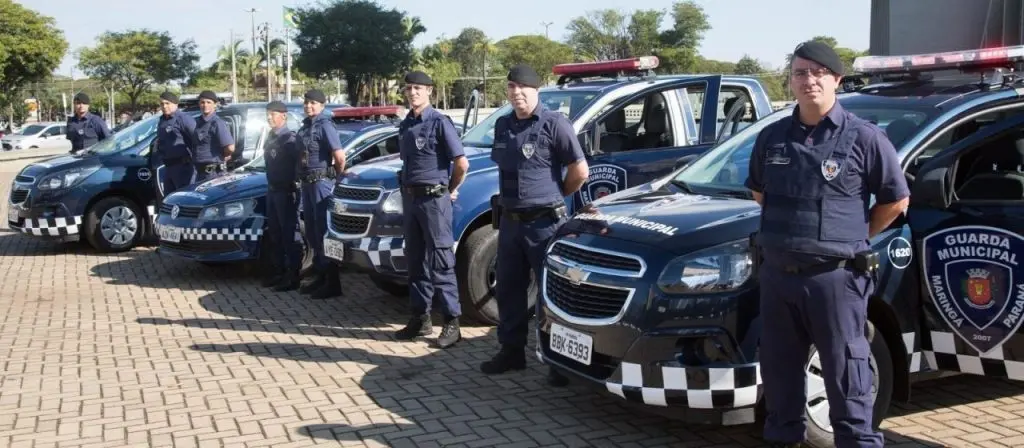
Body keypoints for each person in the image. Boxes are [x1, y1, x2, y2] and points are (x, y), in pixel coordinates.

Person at [745, 40, 909, 448]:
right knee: (780, 385)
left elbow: (896, 200)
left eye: (819, 72)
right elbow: (760, 195)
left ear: (836, 79)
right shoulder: (771, 137)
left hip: (835, 281)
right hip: (778, 280)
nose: (809, 80)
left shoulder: (864, 138)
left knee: (847, 382)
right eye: (800, 72)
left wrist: (855, 236)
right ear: (791, 80)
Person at [480, 64, 590, 386]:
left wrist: (558, 196)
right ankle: (512, 351)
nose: (516, 93)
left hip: (545, 224)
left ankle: (558, 361)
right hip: (511, 224)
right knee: (509, 290)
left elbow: (579, 170)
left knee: (551, 294)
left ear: (536, 90)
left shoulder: (555, 124)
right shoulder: (503, 126)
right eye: (511, 88)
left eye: (522, 88)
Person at [392, 70, 470, 349]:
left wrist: (449, 189)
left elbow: (461, 163)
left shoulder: (439, 122)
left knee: (440, 261)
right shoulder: (406, 124)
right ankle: (420, 318)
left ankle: (451, 322)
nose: (413, 92)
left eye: (418, 88)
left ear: (429, 92)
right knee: (415, 261)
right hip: (411, 200)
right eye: (409, 88)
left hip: (434, 201)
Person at [297, 89, 345, 300]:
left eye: (314, 103)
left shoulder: (325, 125)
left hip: (321, 183)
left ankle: (332, 282)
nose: (309, 106)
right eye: (307, 103)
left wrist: (338, 176)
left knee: (325, 232)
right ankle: (320, 275)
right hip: (307, 184)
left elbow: (339, 156)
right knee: (314, 233)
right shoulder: (305, 127)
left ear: (322, 105)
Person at [260, 101, 303, 292]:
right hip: (272, 190)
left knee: (289, 235)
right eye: (268, 114)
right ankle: (279, 272)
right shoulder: (271, 136)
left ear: (283, 116)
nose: (270, 118)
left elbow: (299, 166)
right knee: (275, 234)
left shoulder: (290, 139)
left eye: (273, 114)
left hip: (286, 192)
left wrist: (294, 186)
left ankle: (293, 275)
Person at [155, 91, 199, 196]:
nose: (164, 106)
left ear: (175, 104)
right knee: (170, 200)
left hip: (183, 167)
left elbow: (197, 140)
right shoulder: (162, 120)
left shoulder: (183, 119)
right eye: (162, 104)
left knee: (184, 199)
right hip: (168, 167)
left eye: (167, 103)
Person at [192, 90, 235, 183]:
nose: (205, 105)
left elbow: (230, 148)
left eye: (209, 102)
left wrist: (223, 155)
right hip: (199, 173)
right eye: (202, 102)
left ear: (215, 105)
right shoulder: (196, 122)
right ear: (199, 104)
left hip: (213, 173)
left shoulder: (217, 123)